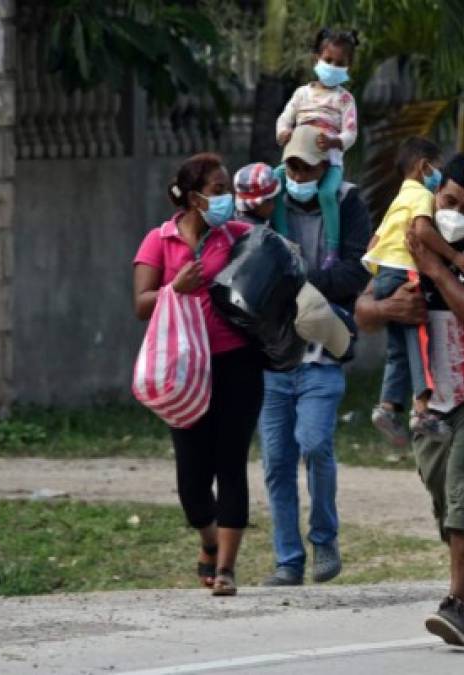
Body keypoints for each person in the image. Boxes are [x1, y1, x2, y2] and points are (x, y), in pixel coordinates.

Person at [355, 153, 464, 646]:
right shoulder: (408, 238)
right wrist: (386, 307)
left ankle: (452, 602)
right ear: (435, 194)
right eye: (448, 201)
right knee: (447, 504)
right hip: (433, 404)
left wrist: (437, 269)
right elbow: (362, 310)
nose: (455, 213)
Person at [132, 153, 263, 597]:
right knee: (191, 477)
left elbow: (273, 272)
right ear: (194, 197)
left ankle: (226, 568)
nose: (228, 197)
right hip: (184, 369)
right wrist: (176, 289)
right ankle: (208, 540)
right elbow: (141, 303)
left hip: (236, 364)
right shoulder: (159, 240)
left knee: (231, 463)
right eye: (220, 189)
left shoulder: (240, 235)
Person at [257, 125, 370, 586]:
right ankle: (288, 559)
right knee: (276, 463)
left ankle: (324, 536)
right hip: (272, 356)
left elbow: (354, 272)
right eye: (295, 166)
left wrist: (296, 282)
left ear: (326, 167)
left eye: (311, 166)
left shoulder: (346, 203)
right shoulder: (266, 203)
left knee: (315, 444)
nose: (302, 174)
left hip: (323, 352)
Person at [362, 137, 464, 446]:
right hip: (405, 273)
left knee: (398, 349)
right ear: (424, 167)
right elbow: (423, 230)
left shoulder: (398, 199)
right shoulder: (422, 195)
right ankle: (423, 412)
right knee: (420, 343)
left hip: (384, 275)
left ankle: (386, 408)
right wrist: (454, 257)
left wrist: (381, 278)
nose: (439, 178)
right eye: (438, 170)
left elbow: (373, 244)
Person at [232, 162, 355, 361]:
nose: (274, 206)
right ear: (261, 203)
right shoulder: (263, 238)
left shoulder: (232, 229)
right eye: (271, 200)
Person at [273, 27, 359, 270]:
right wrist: (284, 133)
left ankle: (332, 251)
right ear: (316, 59)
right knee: (274, 183)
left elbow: (351, 132)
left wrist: (334, 142)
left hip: (327, 161)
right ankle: (284, 238)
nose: (332, 66)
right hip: (296, 154)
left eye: (339, 63)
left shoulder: (344, 100)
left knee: (327, 194)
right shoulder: (302, 94)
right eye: (328, 60)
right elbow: (284, 118)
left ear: (348, 66)